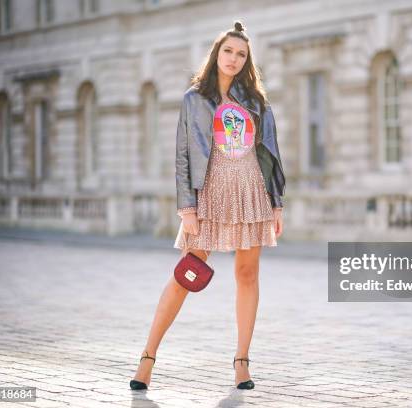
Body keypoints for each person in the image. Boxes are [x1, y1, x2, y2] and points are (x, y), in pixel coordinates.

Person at [130, 20, 286, 391]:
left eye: (241, 54)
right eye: (228, 51)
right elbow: (183, 155)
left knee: (247, 275)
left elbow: (271, 153)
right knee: (187, 272)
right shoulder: (193, 99)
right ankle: (147, 357)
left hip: (250, 190)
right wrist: (187, 206)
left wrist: (277, 203)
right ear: (217, 53)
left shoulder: (257, 102)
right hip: (210, 192)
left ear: (248, 61)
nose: (233, 58)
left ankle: (242, 362)